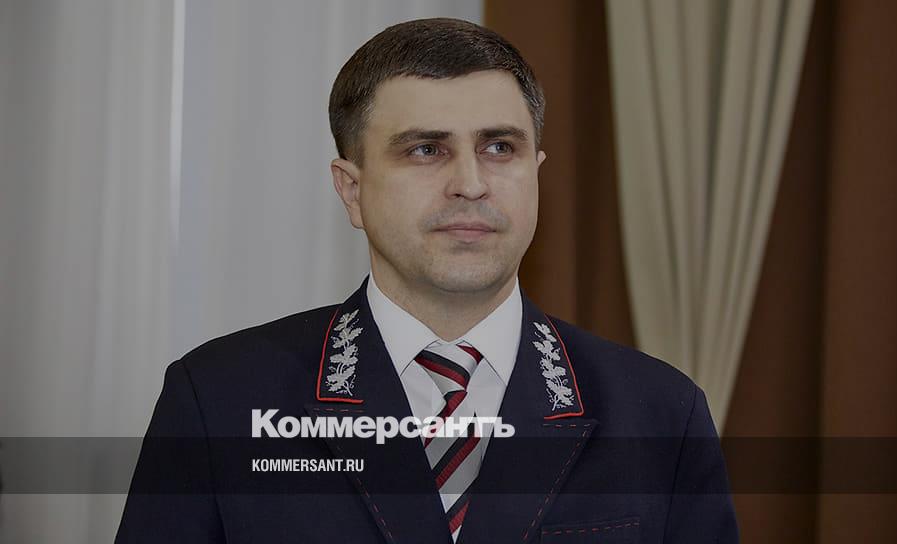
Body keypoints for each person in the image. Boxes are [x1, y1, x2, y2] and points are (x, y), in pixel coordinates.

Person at [117, 17, 738, 543]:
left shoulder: (663, 412)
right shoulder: (218, 401)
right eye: (426, 150)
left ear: (536, 172)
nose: (471, 183)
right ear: (352, 190)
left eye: (500, 147)